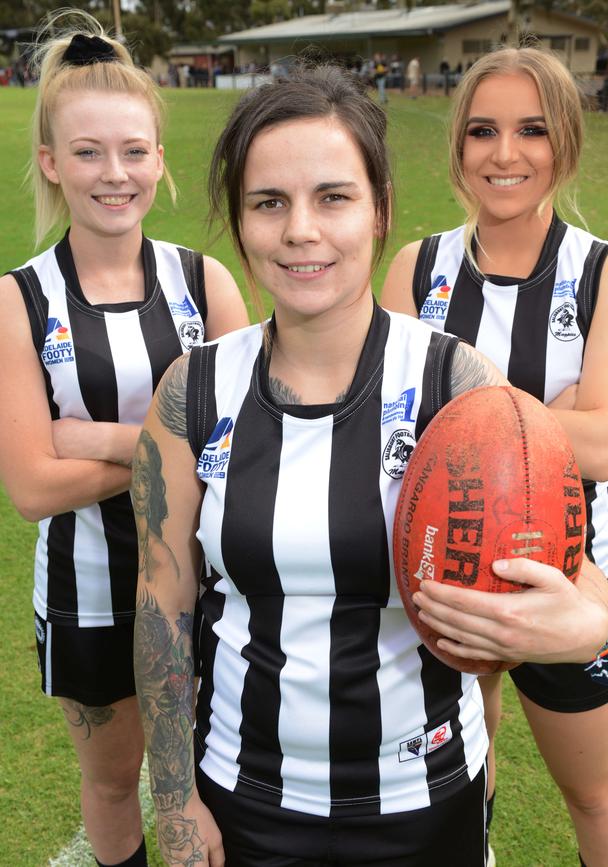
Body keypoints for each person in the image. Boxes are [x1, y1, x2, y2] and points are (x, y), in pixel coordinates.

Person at [132, 64, 608, 867]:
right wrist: (177, 798)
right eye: (269, 203)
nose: (300, 231)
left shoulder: (457, 383)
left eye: (333, 197)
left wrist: (584, 620)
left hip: (424, 798)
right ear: (240, 220)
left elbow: (575, 567)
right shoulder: (194, 389)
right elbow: (162, 602)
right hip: (244, 797)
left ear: (380, 209)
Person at [381, 47, 608, 867]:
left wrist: (475, 420)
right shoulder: (417, 268)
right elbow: (384, 427)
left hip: (569, 577)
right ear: (458, 147)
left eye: (531, 130)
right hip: (444, 565)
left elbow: (605, 442)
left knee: (593, 791)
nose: (505, 154)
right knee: (464, 772)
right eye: (482, 132)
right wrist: (546, 419)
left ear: (564, 143)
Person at [0, 12, 248, 867]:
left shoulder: (202, 281)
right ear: (51, 163)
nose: (116, 173)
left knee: (219, 775)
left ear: (159, 159)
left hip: (216, 581)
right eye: (89, 152)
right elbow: (32, 487)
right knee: (114, 784)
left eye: (135, 150)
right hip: (89, 593)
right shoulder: (17, 301)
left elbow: (246, 441)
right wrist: (173, 442)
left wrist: (93, 437)